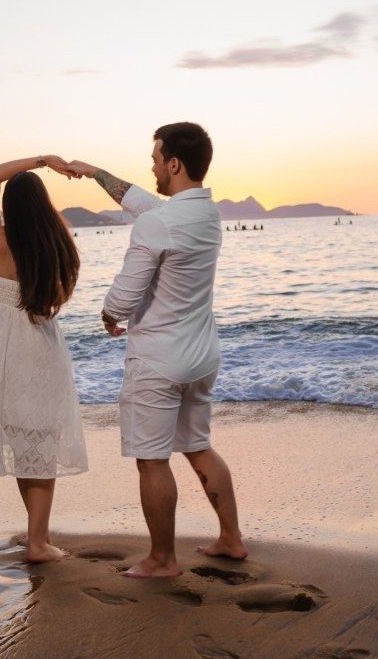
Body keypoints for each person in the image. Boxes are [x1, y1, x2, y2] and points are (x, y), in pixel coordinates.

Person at [67, 122, 247, 578]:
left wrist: (109, 314)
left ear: (174, 163)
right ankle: (231, 538)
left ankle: (162, 560)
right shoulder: (207, 214)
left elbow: (126, 293)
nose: (151, 166)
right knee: (199, 446)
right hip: (201, 356)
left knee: (152, 459)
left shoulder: (159, 223)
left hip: (158, 360)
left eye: (156, 158)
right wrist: (94, 173)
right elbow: (142, 203)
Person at [0, 155, 87, 563]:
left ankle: (36, 533)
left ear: (9, 207)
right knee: (42, 443)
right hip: (38, 346)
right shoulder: (51, 247)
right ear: (43, 207)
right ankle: (38, 541)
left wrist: (43, 160)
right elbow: (58, 298)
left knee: (23, 443)